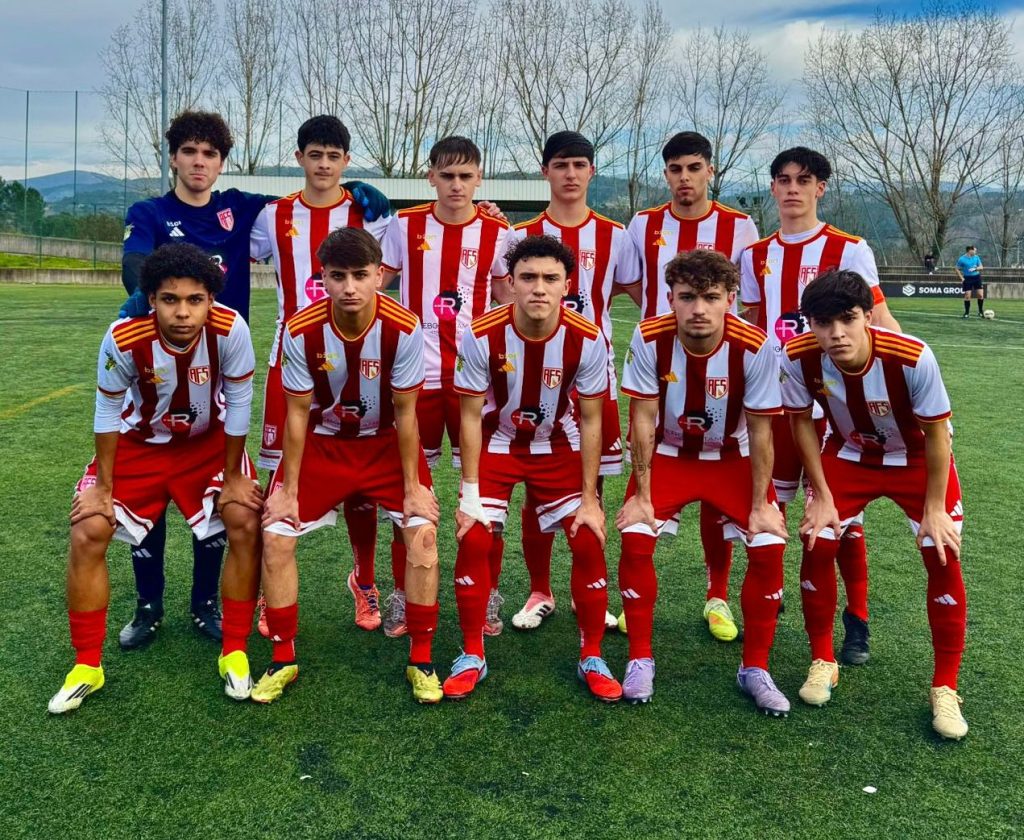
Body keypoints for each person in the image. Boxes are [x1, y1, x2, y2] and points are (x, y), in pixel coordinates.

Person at [118, 110, 390, 650]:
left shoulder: (244, 209)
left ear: (222, 162)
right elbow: (135, 263)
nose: (199, 162)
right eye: (189, 152)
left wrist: (365, 191)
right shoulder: (150, 211)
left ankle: (206, 604)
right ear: (173, 158)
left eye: (210, 154)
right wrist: (140, 299)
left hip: (223, 369)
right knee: (153, 488)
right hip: (158, 364)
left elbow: (318, 202)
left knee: (223, 489)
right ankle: (148, 606)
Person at [48, 243, 263, 713]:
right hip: (139, 444)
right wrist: (103, 489)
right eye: (170, 299)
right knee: (88, 529)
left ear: (211, 299)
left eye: (194, 300)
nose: (183, 312)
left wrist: (232, 476)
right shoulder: (124, 336)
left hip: (206, 444)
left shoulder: (231, 329)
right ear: (151, 299)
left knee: (244, 518)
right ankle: (86, 665)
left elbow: (240, 403)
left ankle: (235, 651)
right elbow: (107, 409)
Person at [780, 269, 968, 740]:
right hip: (849, 454)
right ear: (810, 324)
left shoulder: (912, 356)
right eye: (823, 323)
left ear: (868, 316)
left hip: (917, 458)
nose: (836, 334)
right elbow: (801, 423)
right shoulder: (798, 356)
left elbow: (937, 435)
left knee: (941, 551)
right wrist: (821, 495)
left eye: (847, 319)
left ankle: (945, 687)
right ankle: (823, 660)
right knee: (818, 540)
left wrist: (934, 509)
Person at [258, 227, 442, 704]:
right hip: (323, 444)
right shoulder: (300, 328)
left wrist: (413, 487)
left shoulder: (404, 326)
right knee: (275, 535)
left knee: (423, 536)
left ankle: (422, 660)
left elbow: (406, 414)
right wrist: (288, 489)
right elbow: (297, 415)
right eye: (338, 276)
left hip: (383, 445)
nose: (350, 287)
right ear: (323, 278)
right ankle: (282, 658)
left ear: (379, 275)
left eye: (360, 275)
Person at [739, 146, 902, 667]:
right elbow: (751, 325)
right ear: (772, 187)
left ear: (820, 188)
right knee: (770, 508)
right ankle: (769, 604)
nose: (793, 188)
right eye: (783, 180)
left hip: (833, 408)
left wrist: (899, 385)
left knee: (837, 518)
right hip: (774, 402)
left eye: (804, 180)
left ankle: (856, 619)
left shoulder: (849, 248)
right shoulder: (755, 255)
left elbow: (879, 320)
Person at [445, 234, 621, 702]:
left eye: (549, 278)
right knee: (475, 535)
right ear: (511, 282)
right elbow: (469, 415)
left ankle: (592, 655)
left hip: (557, 443)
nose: (539, 288)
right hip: (499, 442)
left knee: (588, 537)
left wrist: (591, 499)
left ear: (567, 285)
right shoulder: (481, 333)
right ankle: (472, 653)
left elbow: (591, 419)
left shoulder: (588, 338)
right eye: (528, 277)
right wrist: (468, 493)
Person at [616, 249, 790, 713]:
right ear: (670, 298)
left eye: (710, 297)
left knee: (769, 542)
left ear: (730, 299)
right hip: (670, 454)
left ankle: (755, 667)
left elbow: (762, 430)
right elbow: (642, 419)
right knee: (635, 534)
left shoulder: (755, 343)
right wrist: (642, 495)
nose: (698, 308)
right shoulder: (649, 336)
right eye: (687, 297)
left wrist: (761, 504)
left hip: (732, 457)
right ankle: (640, 658)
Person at [250, 115, 389, 634]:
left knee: (362, 482)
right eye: (315, 154)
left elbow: (389, 272)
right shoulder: (274, 215)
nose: (324, 164)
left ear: (346, 161)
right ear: (299, 158)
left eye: (334, 156)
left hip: (358, 361)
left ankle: (365, 581)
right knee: (277, 477)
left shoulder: (368, 212)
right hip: (290, 359)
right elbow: (229, 248)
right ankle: (269, 591)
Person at [623, 130, 761, 642]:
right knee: (654, 461)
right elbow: (633, 283)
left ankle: (717, 594)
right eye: (676, 169)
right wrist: (663, 324)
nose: (685, 178)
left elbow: (745, 295)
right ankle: (635, 599)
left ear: (710, 171)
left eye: (694, 168)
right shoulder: (643, 223)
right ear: (666, 174)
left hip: (720, 361)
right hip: (660, 362)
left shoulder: (739, 225)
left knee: (718, 466)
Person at [501, 131, 638, 633]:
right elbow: (504, 303)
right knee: (536, 485)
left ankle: (589, 591)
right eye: (561, 164)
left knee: (591, 487)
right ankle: (540, 590)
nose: (571, 174)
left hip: (592, 375)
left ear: (592, 171)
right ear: (545, 171)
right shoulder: (518, 235)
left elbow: (638, 295)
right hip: (532, 376)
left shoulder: (615, 235)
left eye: (580, 164)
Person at [378, 135, 511, 638]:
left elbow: (508, 298)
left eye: (466, 176)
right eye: (447, 175)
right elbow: (374, 284)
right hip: (416, 378)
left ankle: (489, 590)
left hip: (476, 381)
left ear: (479, 178)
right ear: (430, 175)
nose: (456, 185)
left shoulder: (498, 232)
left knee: (487, 492)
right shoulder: (403, 226)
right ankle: (401, 591)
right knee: (407, 492)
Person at [955, 245, 984, 318]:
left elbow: (981, 267)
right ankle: (966, 313)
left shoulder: (976, 257)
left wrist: (976, 269)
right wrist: (962, 278)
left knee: (980, 295)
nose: (975, 252)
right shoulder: (962, 259)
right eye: (974, 250)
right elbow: (956, 268)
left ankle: (980, 312)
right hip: (967, 278)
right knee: (967, 295)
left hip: (977, 277)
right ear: (970, 250)